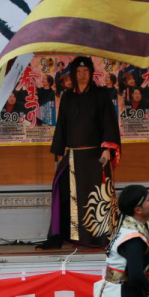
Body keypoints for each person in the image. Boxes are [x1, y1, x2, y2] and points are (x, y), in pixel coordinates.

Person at [41, 56, 121, 251]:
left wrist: (107, 151)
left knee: (97, 198)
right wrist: (58, 154)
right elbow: (62, 126)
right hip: (71, 156)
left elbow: (109, 123)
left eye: (85, 72)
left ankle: (100, 238)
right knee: (63, 194)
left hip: (95, 157)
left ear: (91, 73)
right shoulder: (68, 96)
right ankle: (59, 237)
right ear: (73, 74)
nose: (82, 75)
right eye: (78, 72)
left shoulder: (100, 95)